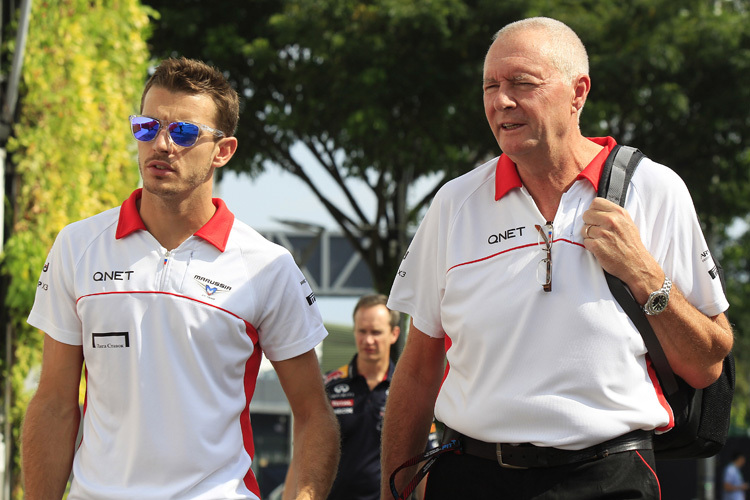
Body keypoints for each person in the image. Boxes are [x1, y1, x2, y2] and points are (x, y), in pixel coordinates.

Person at [381, 17, 733, 500]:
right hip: (469, 476)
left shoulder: (655, 189)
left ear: (578, 92)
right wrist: (392, 491)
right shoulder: (454, 203)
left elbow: (707, 365)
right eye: (491, 86)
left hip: (609, 479)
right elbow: (419, 371)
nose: (501, 100)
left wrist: (645, 277)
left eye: (522, 84)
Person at [21, 57, 339, 500]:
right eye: (147, 127)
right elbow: (54, 404)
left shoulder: (267, 265)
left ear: (222, 151)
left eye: (184, 133)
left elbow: (313, 415)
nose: (162, 144)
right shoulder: (77, 246)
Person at [284, 294, 437, 500]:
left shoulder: (409, 392)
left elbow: (426, 461)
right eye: (362, 331)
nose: (368, 340)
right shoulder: (328, 385)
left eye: (376, 332)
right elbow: (303, 455)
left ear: (394, 334)